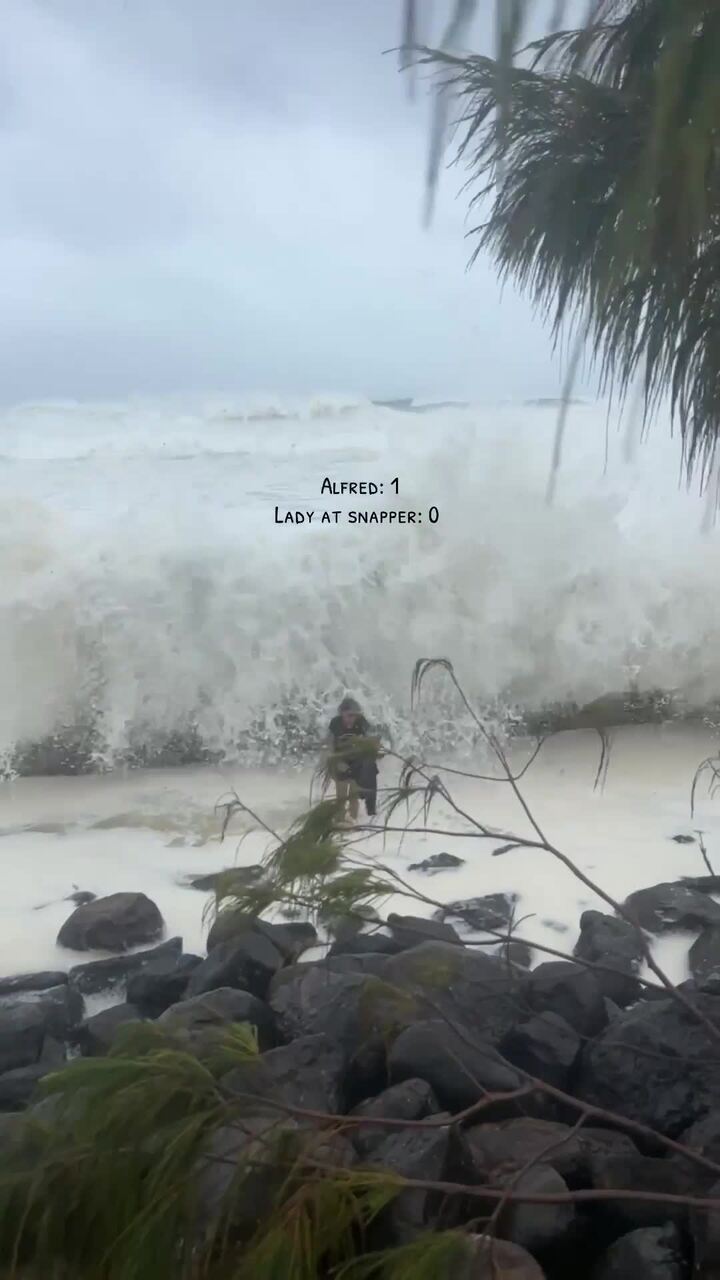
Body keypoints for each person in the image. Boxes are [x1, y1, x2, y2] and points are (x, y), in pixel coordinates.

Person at [326, 696, 379, 822]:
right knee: (341, 794)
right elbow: (329, 746)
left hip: (357, 760)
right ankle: (339, 819)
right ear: (342, 714)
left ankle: (353, 821)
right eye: (348, 715)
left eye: (354, 716)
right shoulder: (335, 724)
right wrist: (336, 762)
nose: (351, 719)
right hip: (339, 759)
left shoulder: (362, 723)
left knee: (353, 795)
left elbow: (370, 745)